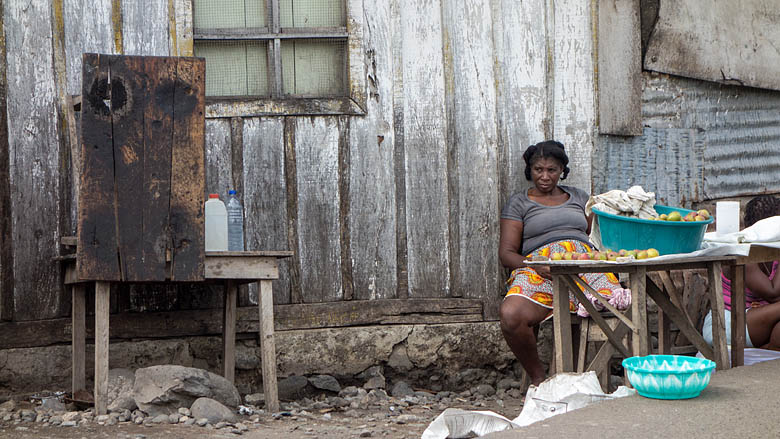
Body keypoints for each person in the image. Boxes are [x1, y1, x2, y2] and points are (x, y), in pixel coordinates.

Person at [498, 140, 622, 386]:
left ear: (562, 171)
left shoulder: (578, 197)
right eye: (538, 170)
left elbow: (598, 237)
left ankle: (584, 377)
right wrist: (537, 266)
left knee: (620, 306)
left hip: (583, 265)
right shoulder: (519, 203)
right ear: (530, 171)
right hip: (540, 269)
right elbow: (507, 253)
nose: (544, 176)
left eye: (552, 170)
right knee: (511, 315)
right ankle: (538, 378)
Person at [703, 194, 780, 350]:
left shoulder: (775, 251)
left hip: (761, 321)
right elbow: (773, 293)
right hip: (727, 324)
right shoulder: (742, 251)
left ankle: (767, 349)